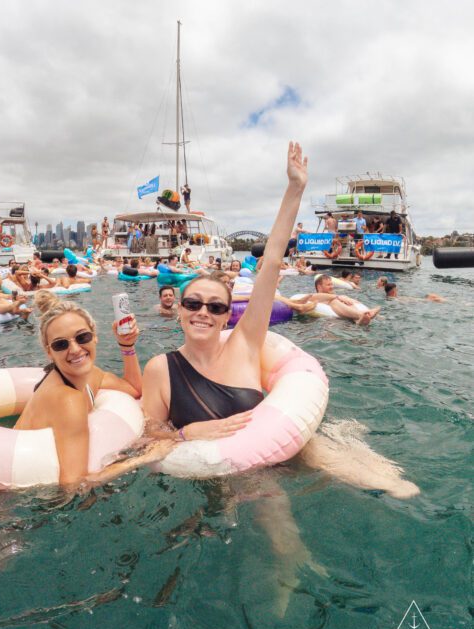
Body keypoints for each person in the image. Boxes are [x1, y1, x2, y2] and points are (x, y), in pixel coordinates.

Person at [142, 143, 417, 499]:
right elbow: (149, 439)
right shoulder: (160, 369)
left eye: (214, 307)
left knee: (397, 490)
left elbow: (271, 262)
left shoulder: (244, 343)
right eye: (193, 303)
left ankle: (345, 438)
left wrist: (295, 188)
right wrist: (187, 434)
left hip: (282, 451)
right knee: (282, 540)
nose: (202, 312)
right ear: (179, 308)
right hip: (216, 470)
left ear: (228, 315)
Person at [15, 292, 174, 486]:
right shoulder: (67, 399)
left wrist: (127, 345)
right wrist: (145, 458)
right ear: (49, 352)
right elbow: (74, 485)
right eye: (60, 344)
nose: (74, 349)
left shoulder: (90, 376)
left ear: (95, 337)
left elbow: (134, 389)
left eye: (82, 337)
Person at [301, 274, 380, 324]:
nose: (332, 287)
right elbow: (312, 297)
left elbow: (352, 302)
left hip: (344, 321)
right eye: (328, 285)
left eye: (332, 284)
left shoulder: (337, 296)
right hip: (330, 325)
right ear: (319, 287)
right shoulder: (318, 297)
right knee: (334, 301)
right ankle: (360, 316)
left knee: (347, 299)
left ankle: (364, 316)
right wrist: (337, 297)